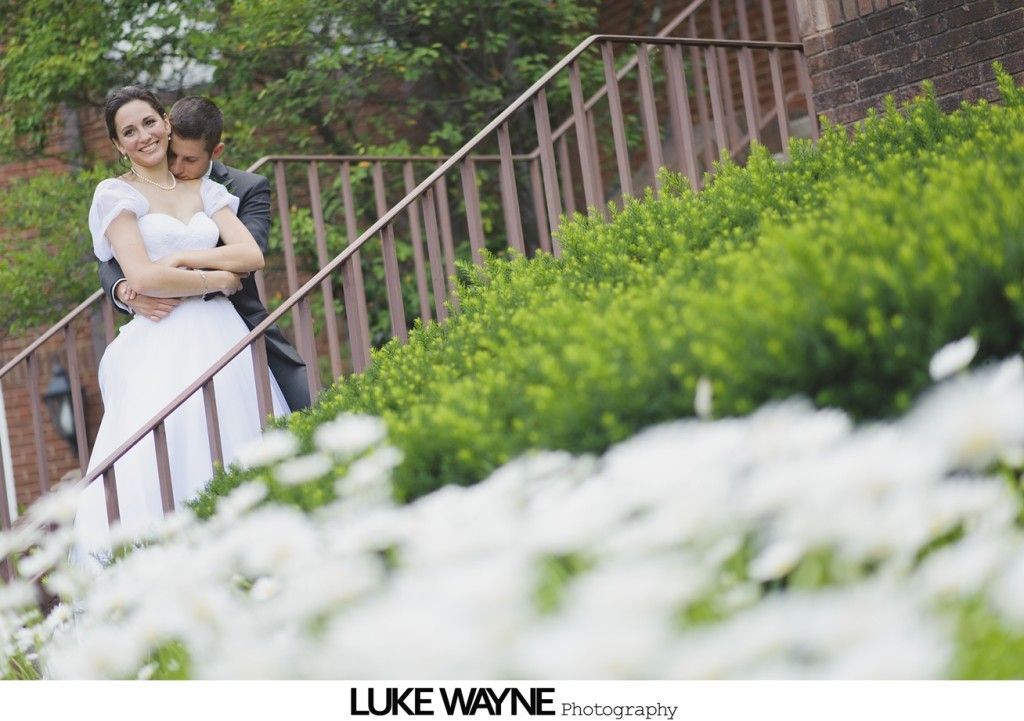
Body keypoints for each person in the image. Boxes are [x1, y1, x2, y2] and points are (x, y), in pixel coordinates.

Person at [74, 86, 290, 562]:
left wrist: (186, 262)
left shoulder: (205, 188)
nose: (143, 136)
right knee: (168, 457)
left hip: (221, 336)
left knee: (238, 440)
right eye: (128, 131)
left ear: (166, 122)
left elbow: (251, 254)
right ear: (117, 145)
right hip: (162, 338)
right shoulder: (115, 193)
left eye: (149, 123)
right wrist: (218, 277)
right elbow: (144, 275)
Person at [99, 95, 311, 413]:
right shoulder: (123, 192)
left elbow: (248, 257)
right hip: (164, 322)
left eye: (189, 160)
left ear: (215, 153)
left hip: (235, 316)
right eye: (173, 156)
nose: (176, 167)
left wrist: (183, 259)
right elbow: (114, 260)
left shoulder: (242, 187)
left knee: (288, 408)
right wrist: (124, 291)